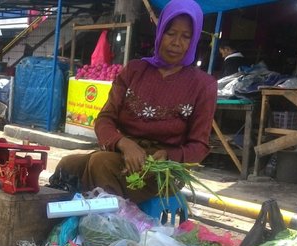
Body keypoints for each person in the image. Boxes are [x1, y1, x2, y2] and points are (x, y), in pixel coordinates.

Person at [48, 0, 217, 204]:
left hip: (161, 170)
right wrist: (124, 144)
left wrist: (169, 155)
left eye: (186, 36)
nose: (176, 42)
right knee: (67, 165)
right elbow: (104, 120)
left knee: (100, 164)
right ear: (160, 31)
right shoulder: (135, 70)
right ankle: (67, 220)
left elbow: (199, 145)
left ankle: (113, 228)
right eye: (171, 33)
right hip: (122, 154)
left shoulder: (203, 85)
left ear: (194, 39)